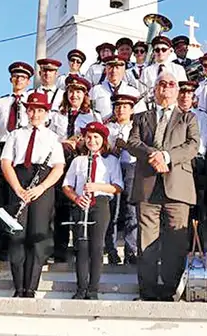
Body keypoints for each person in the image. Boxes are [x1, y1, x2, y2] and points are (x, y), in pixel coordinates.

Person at [126, 71, 200, 301]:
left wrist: (166, 156)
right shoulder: (142, 117)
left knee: (175, 243)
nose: (165, 88)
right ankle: (147, 291)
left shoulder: (188, 118)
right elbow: (132, 143)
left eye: (170, 84)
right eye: (161, 84)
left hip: (177, 185)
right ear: (155, 89)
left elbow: (192, 146)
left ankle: (170, 290)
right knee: (146, 241)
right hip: (147, 187)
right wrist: (153, 154)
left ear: (177, 90)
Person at [0, 92, 66, 298]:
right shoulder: (15, 135)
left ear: (46, 113)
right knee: (17, 235)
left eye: (40, 110)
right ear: (27, 111)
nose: (35, 114)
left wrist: (41, 188)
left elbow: (58, 167)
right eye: (32, 109)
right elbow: (6, 162)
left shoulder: (52, 138)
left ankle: (31, 287)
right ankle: (18, 286)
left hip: (41, 187)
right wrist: (17, 188)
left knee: (38, 236)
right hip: (18, 182)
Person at [63, 121, 124, 299]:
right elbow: (67, 185)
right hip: (81, 204)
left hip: (101, 203)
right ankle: (81, 288)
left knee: (96, 247)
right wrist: (76, 197)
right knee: (81, 246)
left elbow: (118, 187)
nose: (92, 140)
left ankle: (93, 289)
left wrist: (98, 186)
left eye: (96, 137)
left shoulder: (111, 161)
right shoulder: (78, 161)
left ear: (103, 140)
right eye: (89, 137)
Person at [48, 74, 101, 263]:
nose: (74, 95)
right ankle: (59, 249)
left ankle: (81, 248)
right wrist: (63, 142)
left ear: (85, 95)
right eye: (71, 91)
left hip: (80, 162)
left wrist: (80, 143)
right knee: (60, 207)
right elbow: (47, 137)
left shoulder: (92, 116)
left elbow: (98, 141)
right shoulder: (56, 115)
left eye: (79, 92)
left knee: (80, 205)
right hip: (59, 162)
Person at [0, 61, 33, 262]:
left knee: (21, 198)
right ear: (11, 79)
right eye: (15, 77)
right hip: (4, 147)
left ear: (28, 81)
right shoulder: (2, 102)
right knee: (3, 201)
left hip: (24, 151)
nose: (19, 80)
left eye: (22, 78)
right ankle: (2, 245)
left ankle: (23, 245)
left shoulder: (33, 100)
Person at [178, 80, 207, 241]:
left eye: (189, 93)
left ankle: (196, 244)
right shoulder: (171, 114)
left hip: (196, 162)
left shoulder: (201, 116)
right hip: (175, 162)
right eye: (182, 93)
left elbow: (202, 142)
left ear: (194, 97)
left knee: (197, 204)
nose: (185, 97)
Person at [107, 94, 140, 265]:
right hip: (112, 169)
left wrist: (125, 145)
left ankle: (130, 250)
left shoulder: (136, 127)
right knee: (112, 210)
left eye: (125, 107)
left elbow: (140, 149)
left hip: (131, 168)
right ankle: (111, 250)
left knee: (131, 210)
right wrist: (113, 147)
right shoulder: (109, 128)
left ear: (131, 110)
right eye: (118, 107)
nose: (121, 110)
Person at [89, 55, 142, 121]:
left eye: (117, 67)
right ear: (106, 70)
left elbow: (140, 116)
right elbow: (89, 113)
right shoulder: (95, 90)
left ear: (123, 70)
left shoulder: (133, 92)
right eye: (111, 67)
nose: (114, 71)